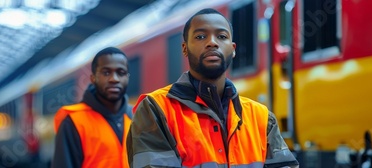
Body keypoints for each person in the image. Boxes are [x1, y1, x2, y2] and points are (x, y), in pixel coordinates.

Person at [127, 8, 299, 168]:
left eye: (222, 37)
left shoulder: (262, 118)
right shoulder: (155, 110)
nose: (212, 43)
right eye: (201, 37)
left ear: (233, 49)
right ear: (184, 49)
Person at [52, 47, 133, 168]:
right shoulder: (73, 122)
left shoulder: (138, 117)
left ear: (127, 77)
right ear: (93, 78)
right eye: (106, 73)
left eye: (121, 73)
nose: (114, 79)